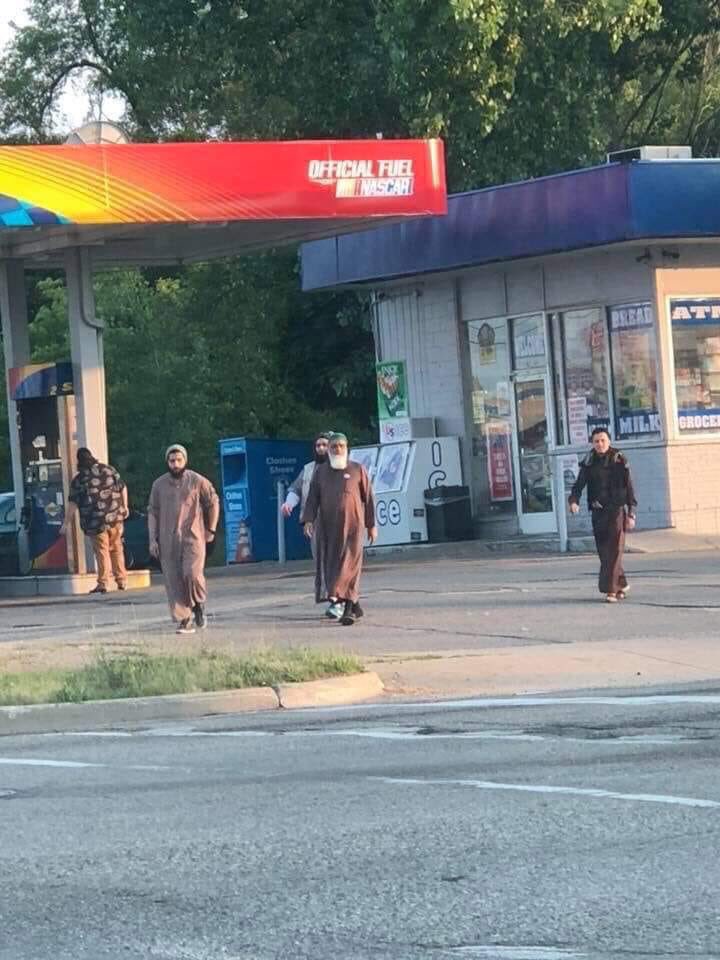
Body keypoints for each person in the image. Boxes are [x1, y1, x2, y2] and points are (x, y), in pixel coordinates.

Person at [301, 432, 377, 625]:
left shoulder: (357, 470)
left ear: (347, 448)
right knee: (333, 567)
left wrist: (371, 525)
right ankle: (355, 605)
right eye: (334, 447)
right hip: (329, 529)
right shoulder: (321, 473)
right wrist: (308, 520)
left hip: (353, 528)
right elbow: (312, 499)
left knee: (349, 566)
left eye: (341, 446)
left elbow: (368, 499)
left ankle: (349, 609)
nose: (337, 450)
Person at [148, 444, 220, 634]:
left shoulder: (196, 480)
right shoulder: (159, 485)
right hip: (167, 539)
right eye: (172, 461)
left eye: (179, 460)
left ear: (185, 461)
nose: (175, 464)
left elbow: (213, 501)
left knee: (192, 573)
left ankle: (199, 604)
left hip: (193, 536)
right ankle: (184, 619)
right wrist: (152, 539)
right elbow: (153, 512)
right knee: (173, 579)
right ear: (167, 462)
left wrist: (211, 529)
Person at [568, 427, 637, 603]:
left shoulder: (618, 459)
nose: (600, 444)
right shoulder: (589, 461)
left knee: (614, 550)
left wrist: (631, 513)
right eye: (596, 441)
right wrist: (573, 501)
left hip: (616, 511)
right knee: (604, 552)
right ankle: (621, 584)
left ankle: (611, 591)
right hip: (598, 511)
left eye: (603, 440)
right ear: (592, 443)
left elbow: (629, 488)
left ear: (609, 441)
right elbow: (579, 484)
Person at [61, 447, 129, 594]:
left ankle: (103, 582)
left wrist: (66, 523)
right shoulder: (108, 470)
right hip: (115, 517)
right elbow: (123, 487)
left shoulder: (79, 480)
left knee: (102, 551)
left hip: (94, 521)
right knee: (117, 548)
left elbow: (73, 503)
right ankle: (121, 580)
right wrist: (125, 506)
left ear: (79, 461)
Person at [281, 432, 331, 522]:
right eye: (318, 445)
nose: (321, 448)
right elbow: (296, 490)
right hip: (312, 522)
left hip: (334, 522)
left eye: (325, 445)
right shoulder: (308, 469)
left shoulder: (341, 468)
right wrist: (289, 504)